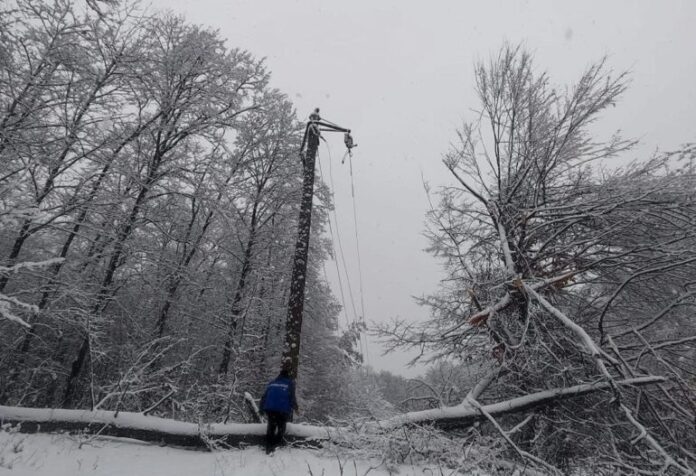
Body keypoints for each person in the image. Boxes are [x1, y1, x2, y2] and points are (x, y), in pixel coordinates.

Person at [259, 361, 298, 454]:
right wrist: (296, 408)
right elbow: (292, 397)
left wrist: (261, 408)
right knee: (281, 428)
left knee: (271, 427)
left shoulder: (272, 382)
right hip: (282, 409)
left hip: (270, 408)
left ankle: (268, 447)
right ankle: (276, 445)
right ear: (288, 375)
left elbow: (264, 396)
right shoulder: (290, 383)